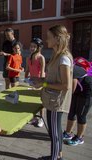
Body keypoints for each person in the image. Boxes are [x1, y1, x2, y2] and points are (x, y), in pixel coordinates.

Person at [34, 25, 73, 160]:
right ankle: (57, 155)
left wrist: (44, 83)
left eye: (49, 37)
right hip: (52, 99)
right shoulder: (57, 55)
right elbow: (55, 77)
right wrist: (42, 79)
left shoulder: (63, 58)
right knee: (55, 131)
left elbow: (66, 85)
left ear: (57, 39)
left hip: (56, 102)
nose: (46, 40)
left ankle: (54, 158)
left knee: (54, 133)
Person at [63, 65, 92, 146]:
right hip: (78, 89)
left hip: (87, 91)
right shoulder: (60, 66)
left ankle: (79, 138)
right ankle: (68, 133)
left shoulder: (67, 67)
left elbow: (74, 82)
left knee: (81, 114)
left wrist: (68, 97)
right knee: (72, 112)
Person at [25, 38, 46, 128]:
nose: (32, 48)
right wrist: (26, 78)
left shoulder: (41, 57)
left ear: (39, 48)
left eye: (34, 46)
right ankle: (34, 117)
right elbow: (27, 69)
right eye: (31, 46)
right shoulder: (28, 57)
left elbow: (42, 71)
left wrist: (40, 84)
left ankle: (41, 118)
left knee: (41, 101)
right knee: (32, 100)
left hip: (40, 81)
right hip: (32, 80)